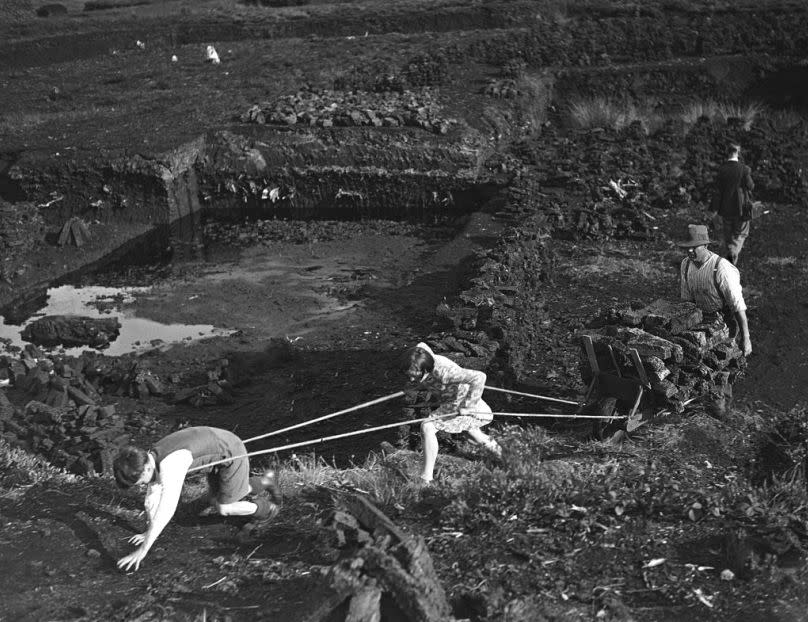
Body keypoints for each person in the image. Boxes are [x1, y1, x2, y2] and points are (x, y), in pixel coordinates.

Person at [113, 426, 281, 572]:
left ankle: (267, 509)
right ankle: (265, 481)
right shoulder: (149, 457)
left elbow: (166, 509)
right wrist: (148, 532)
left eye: (140, 481)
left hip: (231, 451)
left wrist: (143, 550)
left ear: (146, 468)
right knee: (217, 496)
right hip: (219, 449)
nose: (142, 485)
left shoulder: (170, 465)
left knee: (223, 507)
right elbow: (151, 497)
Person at [401, 342, 501, 485]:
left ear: (427, 368)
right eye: (410, 376)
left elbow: (479, 377)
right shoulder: (422, 356)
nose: (411, 380)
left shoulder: (444, 373)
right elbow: (421, 345)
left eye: (416, 376)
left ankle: (425, 478)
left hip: (460, 403)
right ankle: (507, 458)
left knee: (427, 427)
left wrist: (468, 407)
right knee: (474, 435)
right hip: (451, 400)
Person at [709, 143, 755, 265]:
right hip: (742, 210)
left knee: (728, 236)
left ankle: (727, 263)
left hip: (725, 209)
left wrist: (713, 209)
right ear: (738, 153)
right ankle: (731, 256)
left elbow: (717, 192)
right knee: (741, 234)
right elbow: (751, 186)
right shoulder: (744, 169)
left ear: (727, 152)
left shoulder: (721, 169)